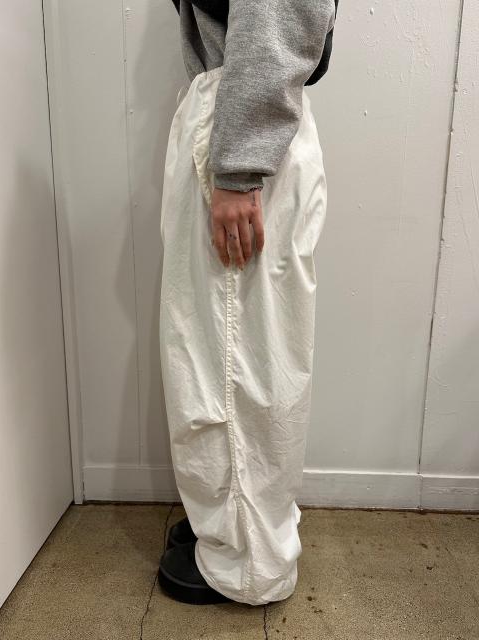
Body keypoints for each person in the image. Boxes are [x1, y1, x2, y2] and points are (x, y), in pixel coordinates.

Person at [157, 0, 338, 606]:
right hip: (238, 120)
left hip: (245, 142)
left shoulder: (242, 155)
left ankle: (247, 561)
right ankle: (231, 526)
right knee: (224, 350)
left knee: (234, 362)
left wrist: (237, 167)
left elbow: (276, 10)